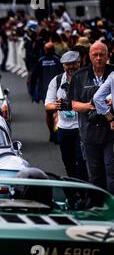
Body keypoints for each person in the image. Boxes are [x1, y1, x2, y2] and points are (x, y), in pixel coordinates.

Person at [70, 42, 114, 193]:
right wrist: (93, 106)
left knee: (111, 171)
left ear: (108, 55)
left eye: (102, 54)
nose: (99, 58)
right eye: (95, 55)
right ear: (89, 56)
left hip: (111, 132)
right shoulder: (79, 76)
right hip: (89, 132)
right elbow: (74, 104)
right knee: (95, 175)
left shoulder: (113, 73)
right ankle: (98, 206)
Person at [45, 51, 88, 181]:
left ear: (79, 63)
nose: (71, 67)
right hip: (63, 129)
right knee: (68, 162)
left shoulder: (87, 79)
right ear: (63, 66)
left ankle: (84, 191)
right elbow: (48, 104)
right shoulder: (57, 80)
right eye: (68, 65)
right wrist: (59, 105)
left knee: (81, 161)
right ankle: (75, 191)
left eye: (74, 63)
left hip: (82, 127)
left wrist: (75, 105)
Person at [29, 42, 64, 143]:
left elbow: (33, 77)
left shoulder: (55, 60)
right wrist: (32, 91)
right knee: (52, 112)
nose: (47, 51)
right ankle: (53, 133)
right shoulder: (43, 60)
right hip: (47, 91)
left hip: (55, 90)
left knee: (55, 112)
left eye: (48, 49)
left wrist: (32, 91)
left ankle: (55, 133)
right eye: (46, 49)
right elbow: (34, 77)